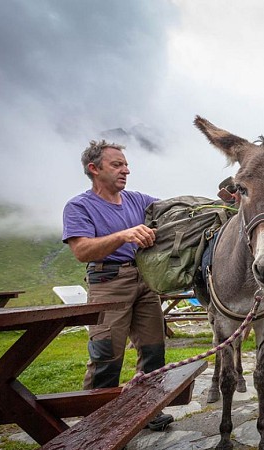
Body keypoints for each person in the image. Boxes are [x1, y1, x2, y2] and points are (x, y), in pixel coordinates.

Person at [62, 139, 173, 430]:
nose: (126, 170)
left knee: (153, 350)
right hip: (108, 281)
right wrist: (123, 235)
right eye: (117, 164)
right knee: (106, 356)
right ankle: (97, 422)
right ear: (94, 169)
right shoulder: (79, 206)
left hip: (145, 279)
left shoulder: (138, 200)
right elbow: (82, 251)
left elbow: (173, 211)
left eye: (125, 164)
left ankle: (148, 409)